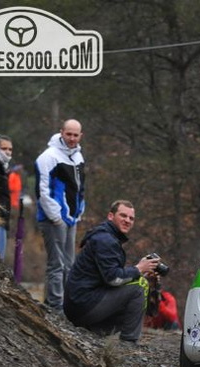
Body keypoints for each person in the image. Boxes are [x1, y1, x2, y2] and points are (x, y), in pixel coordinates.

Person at [64, 200, 161, 343]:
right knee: (139, 287)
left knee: (137, 281)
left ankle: (94, 330)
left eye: (131, 218)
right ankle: (129, 342)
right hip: (82, 304)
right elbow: (113, 279)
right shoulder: (105, 240)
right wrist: (138, 269)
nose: (127, 220)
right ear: (111, 216)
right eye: (123, 216)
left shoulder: (106, 236)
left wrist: (140, 271)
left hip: (79, 304)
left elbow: (111, 276)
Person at [35, 119, 86, 312]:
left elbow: (80, 187)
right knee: (56, 264)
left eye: (75, 135)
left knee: (69, 264)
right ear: (61, 132)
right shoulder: (48, 157)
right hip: (53, 219)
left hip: (71, 218)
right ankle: (55, 307)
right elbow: (42, 191)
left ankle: (66, 305)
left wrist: (79, 211)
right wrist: (56, 216)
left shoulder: (78, 156)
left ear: (81, 135)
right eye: (69, 134)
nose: (72, 138)